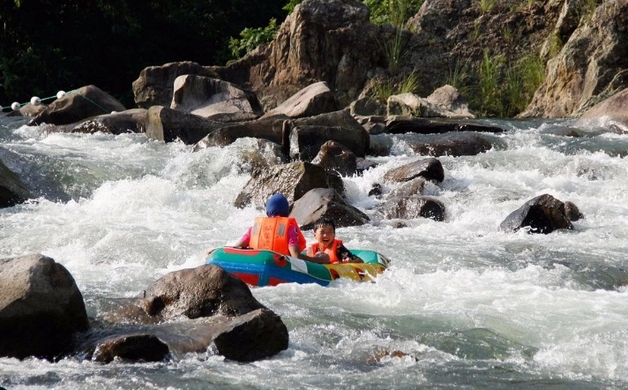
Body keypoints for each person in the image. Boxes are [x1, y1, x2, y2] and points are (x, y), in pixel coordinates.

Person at [234, 193, 330, 263]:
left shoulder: (255, 227)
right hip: (280, 268)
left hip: (255, 265)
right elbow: (296, 257)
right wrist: (317, 259)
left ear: (267, 212)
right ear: (287, 213)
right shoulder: (289, 228)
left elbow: (237, 248)